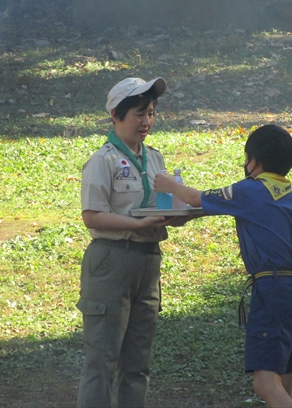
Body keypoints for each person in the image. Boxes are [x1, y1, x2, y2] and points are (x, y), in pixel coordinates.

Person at [154, 124, 292, 408]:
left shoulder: (250, 190)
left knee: (264, 383)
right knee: (283, 377)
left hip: (269, 289)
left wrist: (170, 186)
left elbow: (197, 198)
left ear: (255, 161)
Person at [77, 77, 185, 408]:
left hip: (148, 259)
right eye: (139, 114)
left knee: (139, 359)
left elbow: (165, 206)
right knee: (102, 359)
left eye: (151, 113)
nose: (147, 122)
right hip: (112, 258)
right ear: (115, 115)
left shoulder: (154, 158)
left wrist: (182, 213)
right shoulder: (103, 160)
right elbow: (92, 215)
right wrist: (137, 223)